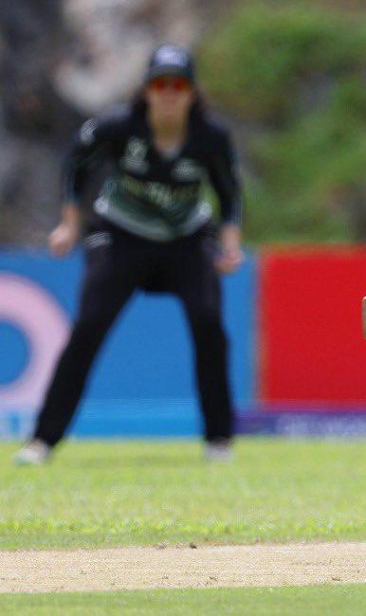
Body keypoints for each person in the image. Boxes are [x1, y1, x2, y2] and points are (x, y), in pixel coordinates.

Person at [13, 44, 243, 465]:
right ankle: (42, 441)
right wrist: (69, 223)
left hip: (185, 239)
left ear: (192, 92)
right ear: (147, 90)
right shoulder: (119, 126)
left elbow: (229, 192)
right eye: (160, 84)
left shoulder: (211, 136)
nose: (169, 93)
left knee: (210, 325)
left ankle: (219, 441)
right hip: (121, 236)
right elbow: (76, 164)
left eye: (179, 84)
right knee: (89, 326)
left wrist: (229, 244)